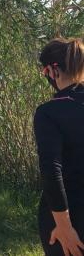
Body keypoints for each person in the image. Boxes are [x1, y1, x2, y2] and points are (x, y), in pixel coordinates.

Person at [35, 37, 84, 256]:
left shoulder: (49, 113)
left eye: (44, 72)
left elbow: (52, 172)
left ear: (54, 71)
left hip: (68, 218)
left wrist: (64, 226)